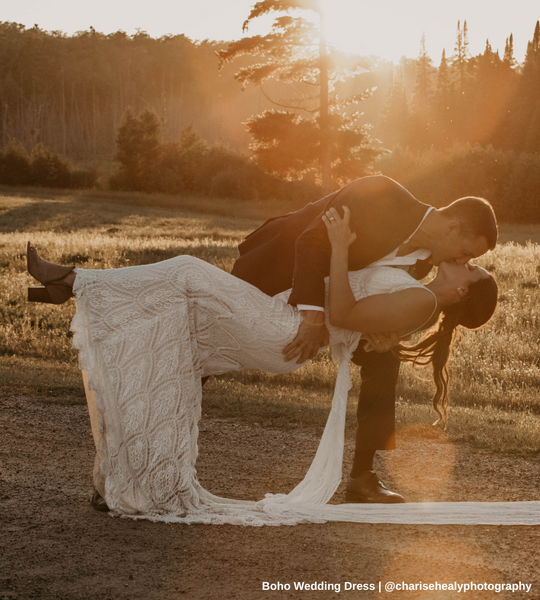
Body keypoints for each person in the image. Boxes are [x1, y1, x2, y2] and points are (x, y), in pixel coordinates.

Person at [25, 201, 497, 524]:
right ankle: (121, 481)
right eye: (472, 257)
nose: (466, 261)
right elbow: (359, 308)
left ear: (461, 292)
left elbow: (341, 313)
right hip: (285, 316)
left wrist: (336, 247)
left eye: (472, 267)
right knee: (171, 335)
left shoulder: (421, 300)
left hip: (284, 329)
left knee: (188, 271)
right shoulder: (414, 282)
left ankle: (72, 281)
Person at [231, 175, 498, 504]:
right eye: (466, 253)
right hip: (277, 267)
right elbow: (310, 242)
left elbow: (376, 294)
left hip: (334, 307)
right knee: (212, 347)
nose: (462, 261)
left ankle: (362, 477)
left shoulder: (422, 264)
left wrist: (386, 335)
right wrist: (313, 316)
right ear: (452, 228)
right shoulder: (381, 195)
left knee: (385, 359)